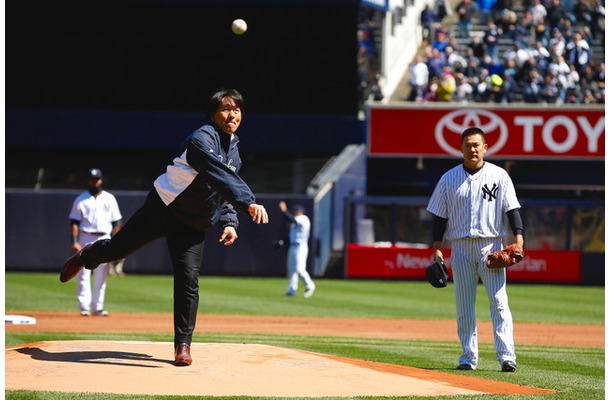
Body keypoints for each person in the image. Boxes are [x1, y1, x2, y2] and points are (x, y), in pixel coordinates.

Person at [60, 88, 269, 367]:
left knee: (188, 282)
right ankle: (86, 256)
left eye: (237, 109)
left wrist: (230, 221)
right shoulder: (201, 139)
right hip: (163, 209)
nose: (232, 114)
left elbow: (223, 190)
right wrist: (249, 201)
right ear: (213, 114)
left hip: (194, 223)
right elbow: (218, 175)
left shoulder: (235, 152)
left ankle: (182, 346)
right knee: (118, 248)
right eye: (225, 108)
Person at [426, 127, 524, 373]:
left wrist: (519, 239)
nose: (472, 149)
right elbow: (439, 218)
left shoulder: (499, 176)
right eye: (468, 145)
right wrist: (437, 249)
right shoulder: (448, 179)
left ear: (485, 147)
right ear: (461, 148)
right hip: (460, 247)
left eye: (476, 145)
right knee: (464, 305)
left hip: (491, 245)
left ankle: (506, 357)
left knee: (499, 302)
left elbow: (513, 210)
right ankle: (468, 358)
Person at [69, 168, 123, 316]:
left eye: (97, 179)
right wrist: (74, 241)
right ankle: (84, 307)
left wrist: (116, 243)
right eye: (92, 179)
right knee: (83, 274)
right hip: (86, 236)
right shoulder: (80, 199)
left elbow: (116, 223)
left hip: (104, 237)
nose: (95, 181)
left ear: (101, 180)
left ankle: (97, 307)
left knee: (102, 274)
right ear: (89, 180)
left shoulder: (109, 198)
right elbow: (74, 222)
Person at [278, 201, 315, 298]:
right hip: (292, 246)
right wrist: (282, 243)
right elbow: (291, 236)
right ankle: (291, 291)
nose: (293, 214)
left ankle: (310, 285)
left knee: (299, 268)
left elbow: (291, 219)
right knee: (291, 270)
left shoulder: (303, 218)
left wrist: (284, 211)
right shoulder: (295, 222)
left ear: (298, 212)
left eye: (293, 212)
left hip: (301, 246)